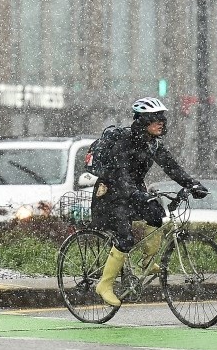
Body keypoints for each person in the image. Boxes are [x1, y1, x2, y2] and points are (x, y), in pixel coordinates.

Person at [88, 97, 209, 307]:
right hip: (111, 194)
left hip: (134, 192)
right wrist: (134, 194)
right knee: (124, 239)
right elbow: (121, 174)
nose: (161, 122)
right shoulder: (124, 141)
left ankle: (147, 261)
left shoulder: (153, 145)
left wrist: (192, 184)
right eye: (156, 119)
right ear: (143, 121)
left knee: (156, 215)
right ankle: (104, 285)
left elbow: (172, 168)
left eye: (163, 118)